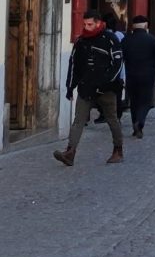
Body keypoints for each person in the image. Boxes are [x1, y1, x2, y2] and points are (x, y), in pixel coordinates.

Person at [54, 10, 126, 166]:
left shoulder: (110, 39)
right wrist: (70, 86)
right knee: (78, 120)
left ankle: (118, 150)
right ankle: (70, 152)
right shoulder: (81, 42)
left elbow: (117, 64)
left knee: (112, 118)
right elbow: (73, 65)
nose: (87, 27)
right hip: (86, 87)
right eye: (85, 24)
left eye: (90, 24)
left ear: (99, 23)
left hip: (106, 88)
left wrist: (106, 83)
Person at [121, 15, 155, 139]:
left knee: (134, 102)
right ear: (146, 26)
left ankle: (136, 129)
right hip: (147, 76)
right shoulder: (152, 40)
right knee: (145, 101)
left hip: (131, 75)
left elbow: (120, 58)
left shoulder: (126, 40)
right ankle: (139, 122)